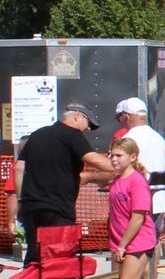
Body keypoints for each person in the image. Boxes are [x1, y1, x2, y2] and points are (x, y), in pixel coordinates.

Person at [14, 103, 112, 262]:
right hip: (58, 208)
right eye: (88, 124)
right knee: (57, 260)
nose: (87, 129)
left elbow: (19, 168)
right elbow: (94, 160)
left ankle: (30, 278)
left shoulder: (37, 134)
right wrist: (124, 167)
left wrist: (20, 201)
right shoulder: (73, 134)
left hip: (31, 208)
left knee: (34, 259)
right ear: (77, 117)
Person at [99, 137, 163, 279]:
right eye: (111, 155)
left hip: (138, 242)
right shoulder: (117, 180)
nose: (113, 159)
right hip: (123, 242)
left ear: (133, 157)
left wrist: (123, 245)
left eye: (119, 155)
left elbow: (138, 217)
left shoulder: (136, 182)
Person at [114, 95, 165, 257]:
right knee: (151, 248)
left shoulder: (128, 139)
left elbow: (117, 169)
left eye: (119, 118)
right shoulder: (159, 138)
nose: (119, 122)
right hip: (158, 201)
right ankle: (150, 274)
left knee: (134, 251)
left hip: (134, 204)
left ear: (126, 116)